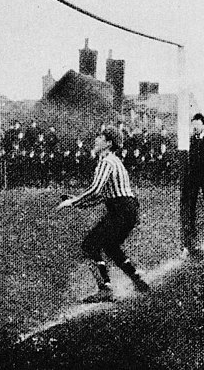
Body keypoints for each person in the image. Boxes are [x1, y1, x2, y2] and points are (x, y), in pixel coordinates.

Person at [57, 127, 149, 303]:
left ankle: (105, 288)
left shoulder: (106, 162)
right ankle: (137, 279)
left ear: (108, 143)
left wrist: (73, 202)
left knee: (89, 245)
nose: (95, 139)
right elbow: (101, 196)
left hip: (121, 210)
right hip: (127, 210)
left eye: (100, 137)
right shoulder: (114, 161)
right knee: (110, 245)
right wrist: (78, 201)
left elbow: (95, 190)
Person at [181, 113, 204, 257]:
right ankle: (190, 243)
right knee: (189, 210)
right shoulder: (191, 140)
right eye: (193, 125)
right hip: (193, 180)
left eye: (197, 125)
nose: (195, 128)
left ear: (202, 125)